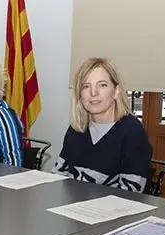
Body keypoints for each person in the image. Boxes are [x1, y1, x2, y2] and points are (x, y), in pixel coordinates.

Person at [52, 58, 152, 193]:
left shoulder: (133, 132)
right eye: (86, 86)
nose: (93, 92)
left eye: (102, 85)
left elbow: (130, 194)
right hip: (73, 208)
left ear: (116, 91)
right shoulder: (77, 127)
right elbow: (59, 175)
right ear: (79, 94)